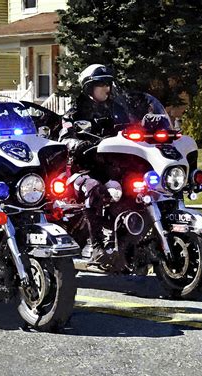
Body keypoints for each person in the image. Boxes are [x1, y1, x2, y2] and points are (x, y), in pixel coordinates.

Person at [59, 64, 126, 267]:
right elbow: (64, 138)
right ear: (89, 87)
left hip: (110, 169)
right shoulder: (76, 112)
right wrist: (79, 144)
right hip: (81, 171)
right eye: (101, 84)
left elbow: (131, 128)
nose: (107, 88)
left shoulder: (117, 110)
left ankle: (127, 244)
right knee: (94, 189)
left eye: (108, 84)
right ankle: (96, 246)